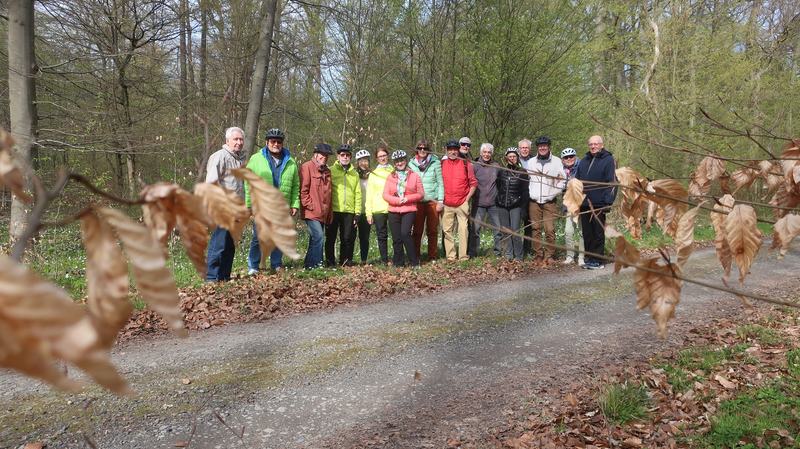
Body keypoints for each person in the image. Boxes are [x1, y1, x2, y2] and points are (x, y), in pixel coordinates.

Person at [244, 128, 299, 274]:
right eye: (273, 141)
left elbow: (295, 185)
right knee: (258, 237)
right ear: (267, 142)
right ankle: (253, 266)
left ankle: (276, 263)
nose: (276, 144)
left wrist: (295, 203)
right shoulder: (256, 159)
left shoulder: (291, 162)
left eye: (279, 142)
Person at [205, 126, 245, 281]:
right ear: (227, 140)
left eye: (241, 139)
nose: (239, 142)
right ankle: (211, 278)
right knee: (219, 243)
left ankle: (224, 276)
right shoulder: (219, 156)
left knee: (229, 245)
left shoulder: (239, 160)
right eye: (235, 139)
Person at [576, 135, 617, 269]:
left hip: (599, 203)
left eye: (596, 144)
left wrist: (607, 202)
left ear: (601, 145)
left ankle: (598, 260)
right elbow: (577, 182)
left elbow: (612, 182)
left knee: (597, 232)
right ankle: (589, 258)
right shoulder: (584, 161)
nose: (593, 147)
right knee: (587, 233)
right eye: (591, 144)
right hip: (584, 203)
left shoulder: (608, 160)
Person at [527, 136, 566, 266]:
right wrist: (531, 192)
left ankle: (549, 255)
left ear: (549, 147)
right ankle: (538, 254)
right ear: (537, 147)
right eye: (540, 146)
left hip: (550, 201)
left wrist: (553, 193)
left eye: (545, 145)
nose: (542, 148)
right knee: (535, 228)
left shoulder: (556, 161)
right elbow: (527, 179)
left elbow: (562, 180)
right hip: (534, 201)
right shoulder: (531, 162)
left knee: (549, 229)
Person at [383, 150, 424, 267]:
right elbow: (385, 194)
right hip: (393, 210)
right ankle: (398, 262)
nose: (399, 163)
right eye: (397, 162)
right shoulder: (390, 176)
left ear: (405, 161)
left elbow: (421, 194)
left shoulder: (414, 175)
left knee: (405, 234)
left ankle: (414, 261)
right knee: (396, 238)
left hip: (409, 209)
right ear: (394, 163)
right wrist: (396, 200)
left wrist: (408, 198)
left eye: (401, 160)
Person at [441, 139, 477, 261]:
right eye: (450, 149)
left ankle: (463, 256)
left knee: (463, 230)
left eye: (455, 149)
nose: (452, 152)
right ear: (446, 150)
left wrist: (466, 199)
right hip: (447, 203)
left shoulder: (466, 163)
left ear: (458, 150)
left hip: (462, 203)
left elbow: (473, 184)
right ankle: (451, 256)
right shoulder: (442, 164)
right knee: (447, 230)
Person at [408, 139, 444, 262]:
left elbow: (440, 183)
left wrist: (440, 201)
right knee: (417, 231)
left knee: (432, 230)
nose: (422, 150)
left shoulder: (435, 162)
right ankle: (416, 256)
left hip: (432, 201)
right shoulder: (411, 164)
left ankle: (432, 256)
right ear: (416, 149)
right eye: (420, 148)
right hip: (417, 201)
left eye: (425, 148)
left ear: (428, 150)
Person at [326, 144, 362, 266]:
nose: (345, 157)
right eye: (342, 155)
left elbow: (358, 194)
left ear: (350, 157)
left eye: (347, 155)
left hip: (349, 211)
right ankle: (330, 261)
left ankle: (345, 260)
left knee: (347, 238)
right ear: (338, 156)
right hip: (334, 210)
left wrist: (357, 212)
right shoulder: (330, 170)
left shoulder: (355, 174)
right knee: (330, 238)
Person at [300, 143, 333, 269]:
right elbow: (303, 190)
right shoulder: (306, 167)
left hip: (324, 213)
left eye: (327, 155)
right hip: (311, 211)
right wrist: (310, 205)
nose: (324, 157)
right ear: (316, 154)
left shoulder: (328, 171)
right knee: (319, 237)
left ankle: (308, 265)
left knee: (314, 239)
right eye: (322, 154)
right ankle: (317, 265)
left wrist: (329, 213)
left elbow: (330, 194)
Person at [495, 147, 529, 260]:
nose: (512, 158)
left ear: (517, 157)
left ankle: (518, 256)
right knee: (506, 231)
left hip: (516, 205)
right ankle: (509, 255)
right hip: (502, 205)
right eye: (510, 156)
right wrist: (498, 200)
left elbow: (525, 192)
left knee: (515, 231)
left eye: (514, 156)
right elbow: (498, 186)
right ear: (506, 158)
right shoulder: (501, 171)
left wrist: (524, 208)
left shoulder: (522, 172)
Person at [469, 143, 502, 257]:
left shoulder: (496, 166)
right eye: (485, 152)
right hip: (479, 203)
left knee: (498, 230)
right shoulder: (474, 166)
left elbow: (502, 182)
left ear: (491, 154)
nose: (487, 154)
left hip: (494, 204)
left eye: (489, 152)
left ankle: (498, 253)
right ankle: (473, 253)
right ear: (481, 153)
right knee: (475, 230)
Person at [365, 145, 392, 264]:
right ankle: (384, 260)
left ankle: (398, 258)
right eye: (380, 156)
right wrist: (368, 213)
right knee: (382, 236)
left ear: (388, 156)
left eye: (384, 155)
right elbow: (369, 194)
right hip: (378, 209)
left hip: (393, 207)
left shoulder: (394, 171)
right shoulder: (373, 174)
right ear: (377, 159)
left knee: (398, 235)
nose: (382, 158)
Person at [560, 147, 584, 266]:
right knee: (568, 231)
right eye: (566, 157)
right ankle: (569, 256)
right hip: (568, 206)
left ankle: (581, 257)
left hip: (580, 204)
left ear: (575, 157)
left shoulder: (582, 168)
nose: (569, 159)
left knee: (581, 232)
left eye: (571, 156)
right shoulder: (561, 170)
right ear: (562, 159)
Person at [354, 148, 372, 263]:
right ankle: (348, 259)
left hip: (367, 211)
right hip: (355, 210)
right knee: (350, 236)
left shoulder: (372, 175)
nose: (363, 163)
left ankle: (364, 260)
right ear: (357, 162)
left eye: (365, 160)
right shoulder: (354, 174)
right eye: (361, 161)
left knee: (364, 237)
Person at [518, 139, 534, 257]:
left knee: (529, 224)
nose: (524, 149)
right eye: (522, 148)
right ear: (519, 149)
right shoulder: (514, 159)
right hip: (516, 196)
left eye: (526, 147)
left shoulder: (534, 161)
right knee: (515, 224)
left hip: (530, 195)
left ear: (530, 149)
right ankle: (516, 250)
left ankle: (527, 249)